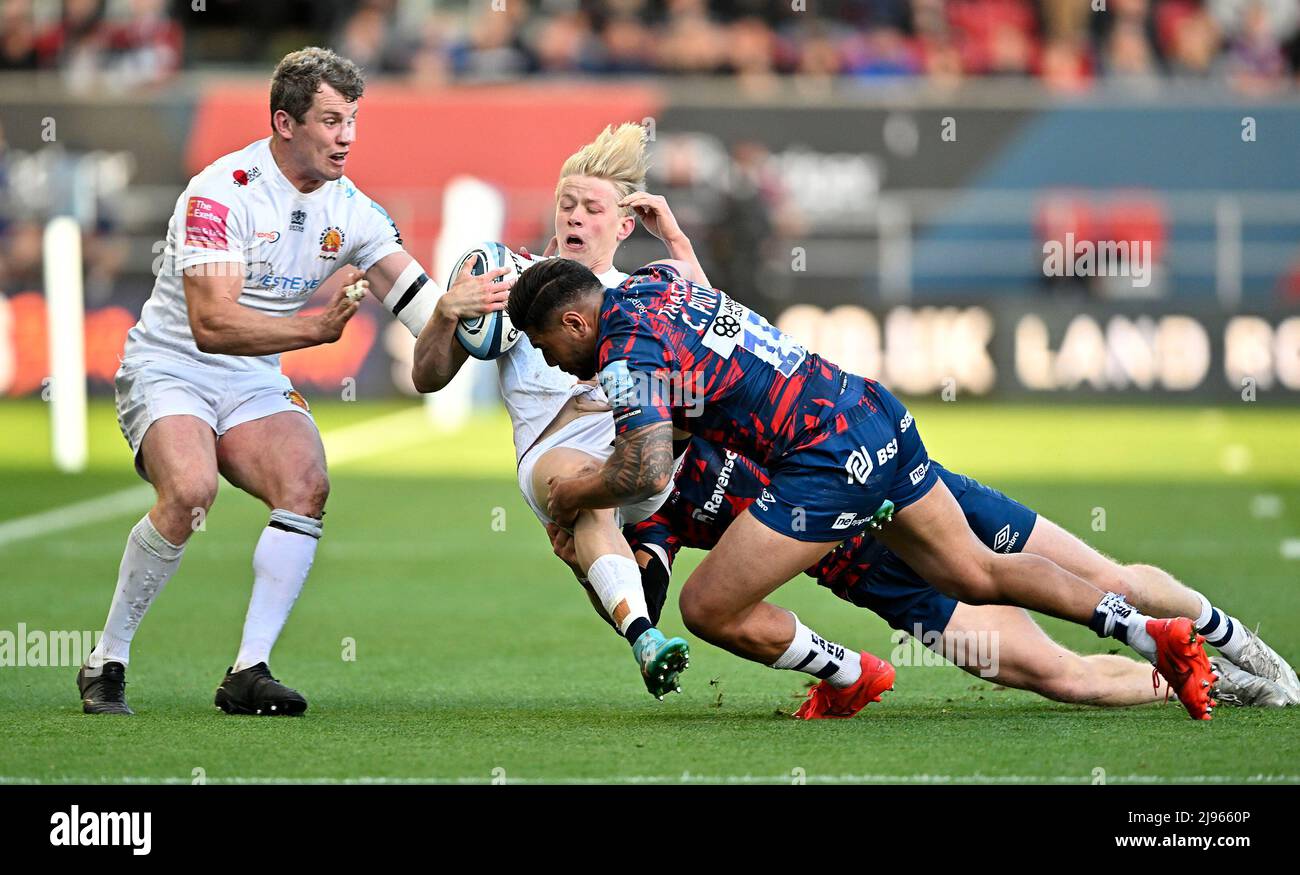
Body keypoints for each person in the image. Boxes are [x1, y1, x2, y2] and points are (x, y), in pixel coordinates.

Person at [507, 258, 1219, 720]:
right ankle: (1151, 632)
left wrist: (571, 494)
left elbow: (646, 469)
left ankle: (849, 676)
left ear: (575, 320)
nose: (559, 366)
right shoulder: (657, 285)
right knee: (976, 569)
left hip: (822, 459)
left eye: (548, 346)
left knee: (707, 606)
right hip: (871, 408)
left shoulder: (623, 350)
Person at [77, 47, 465, 717]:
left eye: (352, 121)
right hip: (172, 368)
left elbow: (421, 305)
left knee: (306, 484)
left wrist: (474, 314)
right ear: (285, 123)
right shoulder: (219, 192)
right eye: (330, 120)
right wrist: (315, 331)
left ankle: (248, 669)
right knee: (191, 490)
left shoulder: (354, 210)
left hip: (252, 378)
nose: (346, 137)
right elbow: (211, 325)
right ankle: (107, 658)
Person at [550, 438, 1297, 713]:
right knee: (1065, 679)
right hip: (893, 586)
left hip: (923, 502)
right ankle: (1235, 688)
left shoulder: (687, 402)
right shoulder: (639, 506)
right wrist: (590, 566)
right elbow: (643, 591)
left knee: (1114, 582)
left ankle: (1232, 638)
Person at [412, 123, 708, 699]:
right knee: (590, 501)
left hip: (642, 444)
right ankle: (646, 638)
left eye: (591, 207)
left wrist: (678, 242)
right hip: (555, 454)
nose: (573, 216)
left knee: (723, 424)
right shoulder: (515, 286)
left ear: (624, 225)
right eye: (565, 204)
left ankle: (659, 545)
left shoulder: (641, 289)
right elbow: (427, 377)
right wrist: (446, 312)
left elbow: (719, 334)